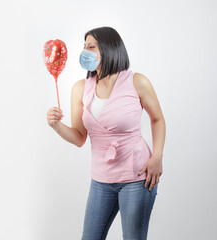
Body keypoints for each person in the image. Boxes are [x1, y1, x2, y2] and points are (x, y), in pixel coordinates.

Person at [46, 26, 166, 240]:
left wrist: (157, 156)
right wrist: (57, 126)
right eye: (84, 47)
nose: (85, 52)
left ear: (110, 48)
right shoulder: (80, 88)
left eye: (91, 46)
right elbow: (79, 137)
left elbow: (157, 119)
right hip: (101, 179)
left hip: (137, 177)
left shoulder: (137, 81)